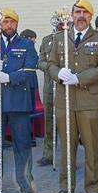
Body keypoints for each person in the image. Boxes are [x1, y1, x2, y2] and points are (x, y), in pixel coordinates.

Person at [45, 0, 98, 193]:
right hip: (64, 101)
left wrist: (79, 79)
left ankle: (93, 189)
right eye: (77, 12)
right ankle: (66, 186)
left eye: (85, 12)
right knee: (66, 146)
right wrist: (58, 73)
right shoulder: (59, 38)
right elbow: (50, 64)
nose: (80, 16)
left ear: (91, 16)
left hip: (89, 101)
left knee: (92, 147)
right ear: (72, 15)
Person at [0, 8, 38, 193]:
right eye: (5, 22)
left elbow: (29, 71)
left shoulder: (26, 44)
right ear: (0, 24)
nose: (8, 25)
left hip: (18, 101)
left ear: (17, 24)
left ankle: (24, 181)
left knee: (22, 143)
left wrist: (9, 77)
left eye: (11, 22)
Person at [36, 17, 62, 167]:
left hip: (65, 86)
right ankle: (48, 154)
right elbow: (40, 62)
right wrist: (52, 68)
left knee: (66, 123)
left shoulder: (71, 39)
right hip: (49, 86)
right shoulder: (47, 40)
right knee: (49, 122)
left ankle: (67, 156)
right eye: (58, 21)